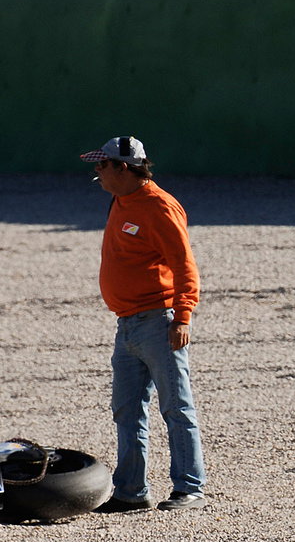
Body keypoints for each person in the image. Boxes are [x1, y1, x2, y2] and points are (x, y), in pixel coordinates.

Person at [84, 136, 209, 513]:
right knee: (126, 409)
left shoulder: (160, 207)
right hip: (126, 327)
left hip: (160, 322)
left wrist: (183, 316)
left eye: (103, 165)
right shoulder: (119, 201)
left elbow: (185, 265)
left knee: (176, 407)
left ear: (124, 167)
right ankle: (131, 492)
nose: (97, 172)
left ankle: (189, 488)